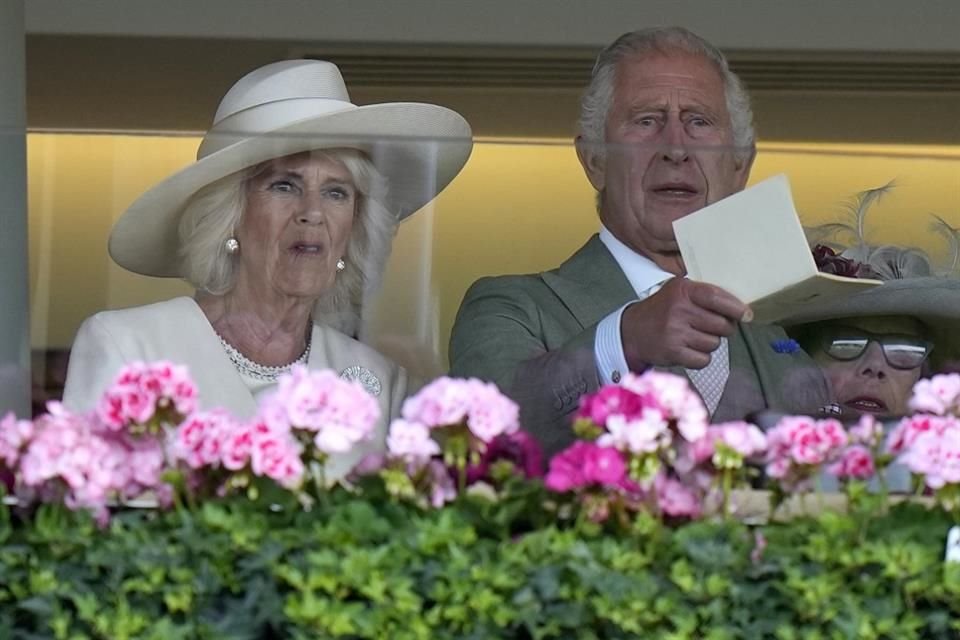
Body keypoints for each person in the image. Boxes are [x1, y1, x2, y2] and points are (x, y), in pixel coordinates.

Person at [62, 59, 472, 477]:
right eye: (284, 186)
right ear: (230, 214)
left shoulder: (377, 381)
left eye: (336, 192)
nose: (312, 213)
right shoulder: (127, 346)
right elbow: (84, 517)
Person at [449, 27, 828, 458]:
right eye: (647, 121)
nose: (675, 149)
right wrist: (623, 339)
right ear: (595, 159)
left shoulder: (784, 325)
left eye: (698, 122)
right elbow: (491, 438)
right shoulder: (508, 306)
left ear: (740, 165)